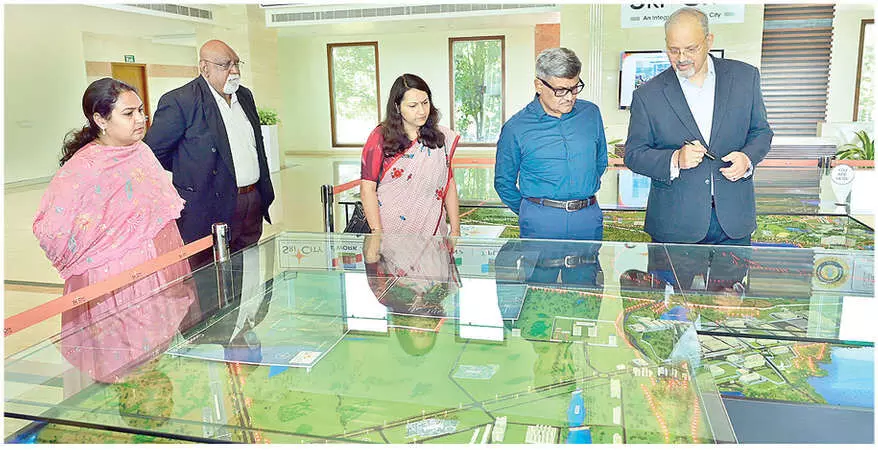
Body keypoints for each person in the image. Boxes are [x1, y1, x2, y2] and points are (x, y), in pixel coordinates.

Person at [32, 78, 196, 385]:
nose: (140, 120)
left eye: (141, 111)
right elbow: (50, 229)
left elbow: (161, 216)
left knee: (154, 368)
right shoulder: (84, 168)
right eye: (129, 113)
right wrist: (100, 248)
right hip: (113, 284)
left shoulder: (141, 152)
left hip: (154, 277)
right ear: (100, 119)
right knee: (125, 369)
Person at [624, 7, 773, 245]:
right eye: (674, 50)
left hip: (734, 223)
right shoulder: (647, 95)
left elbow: (761, 132)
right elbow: (633, 155)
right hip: (674, 225)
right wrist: (675, 159)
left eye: (691, 49)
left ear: (709, 41)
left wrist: (747, 158)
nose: (682, 58)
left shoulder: (745, 78)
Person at [145, 39, 275, 267]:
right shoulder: (181, 101)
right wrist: (192, 169)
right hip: (208, 205)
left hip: (251, 200)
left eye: (236, 63)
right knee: (210, 274)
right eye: (225, 65)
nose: (234, 71)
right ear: (204, 68)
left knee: (248, 270)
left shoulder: (245, 96)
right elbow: (154, 152)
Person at [494, 47, 608, 240]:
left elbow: (600, 161)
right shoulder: (516, 128)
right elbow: (504, 182)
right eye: (561, 90)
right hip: (540, 220)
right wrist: (529, 211)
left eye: (574, 88)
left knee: (589, 262)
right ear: (539, 86)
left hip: (587, 218)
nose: (570, 97)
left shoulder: (591, 114)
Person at [359, 73, 461, 236]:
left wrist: (455, 229)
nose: (421, 111)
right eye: (413, 106)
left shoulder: (441, 137)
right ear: (397, 107)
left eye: (425, 103)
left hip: (432, 234)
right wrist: (377, 233)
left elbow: (449, 184)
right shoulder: (380, 137)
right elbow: (367, 188)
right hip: (390, 233)